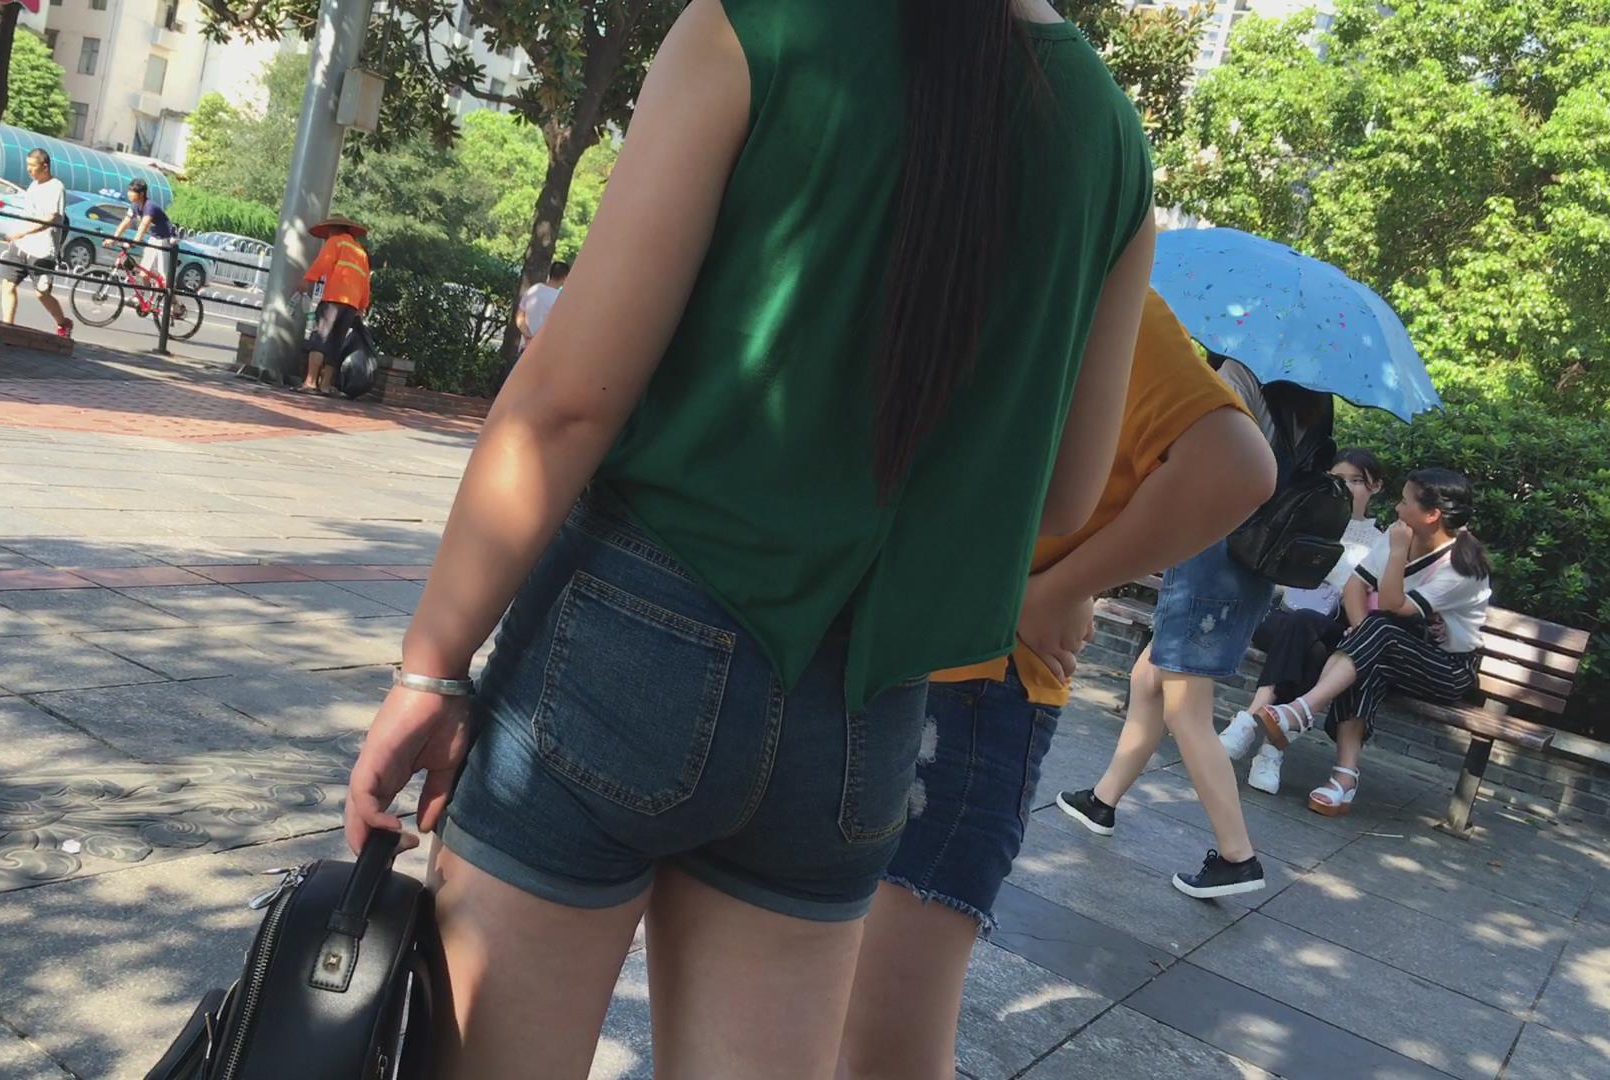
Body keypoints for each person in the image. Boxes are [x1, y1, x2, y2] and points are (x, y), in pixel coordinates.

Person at [340, 1, 1157, 1075]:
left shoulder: (759, 25)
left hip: (625, 642)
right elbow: (1063, 494)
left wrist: (432, 667)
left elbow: (567, 403)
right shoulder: (1110, 137)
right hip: (861, 713)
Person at [838, 290, 1276, 1080]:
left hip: (920, 674)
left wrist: (1049, 590)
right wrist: (1054, 589)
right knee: (864, 1030)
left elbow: (1234, 466)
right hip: (951, 682)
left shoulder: (1077, 285)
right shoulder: (1088, 286)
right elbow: (1231, 465)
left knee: (859, 1027)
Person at [1055, 357, 1328, 900]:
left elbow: (1195, 457)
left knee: (1187, 712)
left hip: (1211, 568)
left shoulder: (1237, 376)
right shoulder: (1309, 397)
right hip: (1248, 571)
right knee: (1148, 680)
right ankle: (1103, 800)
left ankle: (1237, 856)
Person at [1220, 468, 1492, 816]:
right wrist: (1364, 633)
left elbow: (1392, 604)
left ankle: (1300, 712)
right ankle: (1343, 779)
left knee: (1374, 639)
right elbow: (1355, 585)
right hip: (1390, 644)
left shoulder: (1461, 566)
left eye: (1405, 501)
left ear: (1432, 515)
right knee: (1308, 623)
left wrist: (1397, 553)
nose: (1397, 508)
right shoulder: (1400, 534)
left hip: (1445, 668)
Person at [1221, 448, 1387, 794]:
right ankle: (1271, 752)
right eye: (1338, 479)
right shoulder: (1308, 519)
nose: (1347, 488)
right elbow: (1276, 574)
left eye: (1357, 481)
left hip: (1332, 629)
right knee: (1305, 636)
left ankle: (1250, 720)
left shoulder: (1382, 542)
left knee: (1313, 642)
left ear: (1376, 487)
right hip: (1281, 617)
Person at [295, 215, 371, 395]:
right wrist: (362, 306)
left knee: (320, 338)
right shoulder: (361, 252)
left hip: (334, 298)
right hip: (352, 304)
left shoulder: (336, 242)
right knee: (336, 343)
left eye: (328, 231)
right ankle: (326, 386)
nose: (327, 235)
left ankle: (310, 382)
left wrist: (307, 280)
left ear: (334, 229)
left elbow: (323, 263)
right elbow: (365, 282)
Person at [1, 148, 72, 339]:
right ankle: (6, 328)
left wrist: (24, 232)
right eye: (27, 165)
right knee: (8, 284)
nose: (29, 170)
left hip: (43, 250)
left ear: (45, 167)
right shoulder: (33, 185)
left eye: (32, 166)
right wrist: (16, 236)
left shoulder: (56, 187)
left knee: (42, 293)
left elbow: (51, 217)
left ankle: (63, 323)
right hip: (21, 246)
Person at [109, 179, 175, 292]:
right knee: (143, 273)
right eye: (129, 190)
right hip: (154, 239)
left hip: (165, 240)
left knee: (164, 278)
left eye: (132, 191)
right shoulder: (134, 206)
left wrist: (134, 243)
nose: (129, 193)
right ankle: (143, 298)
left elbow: (143, 227)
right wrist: (114, 238)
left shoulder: (150, 207)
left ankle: (172, 301)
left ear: (141, 194)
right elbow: (125, 223)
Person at [516, 261, 569, 345]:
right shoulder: (560, 298)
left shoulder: (533, 290)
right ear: (565, 277)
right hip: (546, 346)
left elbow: (520, 316)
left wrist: (528, 336)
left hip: (526, 344)